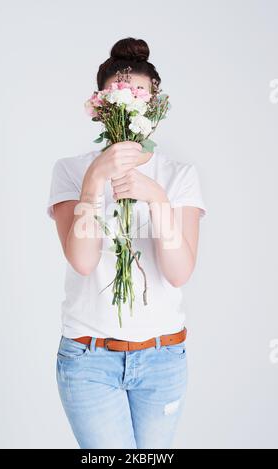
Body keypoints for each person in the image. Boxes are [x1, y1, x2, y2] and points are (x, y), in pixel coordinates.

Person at [47, 37, 207, 449]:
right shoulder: (71, 171)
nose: (128, 105)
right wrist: (96, 177)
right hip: (89, 359)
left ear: (155, 105)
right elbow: (82, 261)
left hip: (163, 357)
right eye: (118, 97)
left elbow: (179, 272)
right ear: (100, 105)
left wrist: (155, 196)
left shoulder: (179, 174)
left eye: (139, 96)